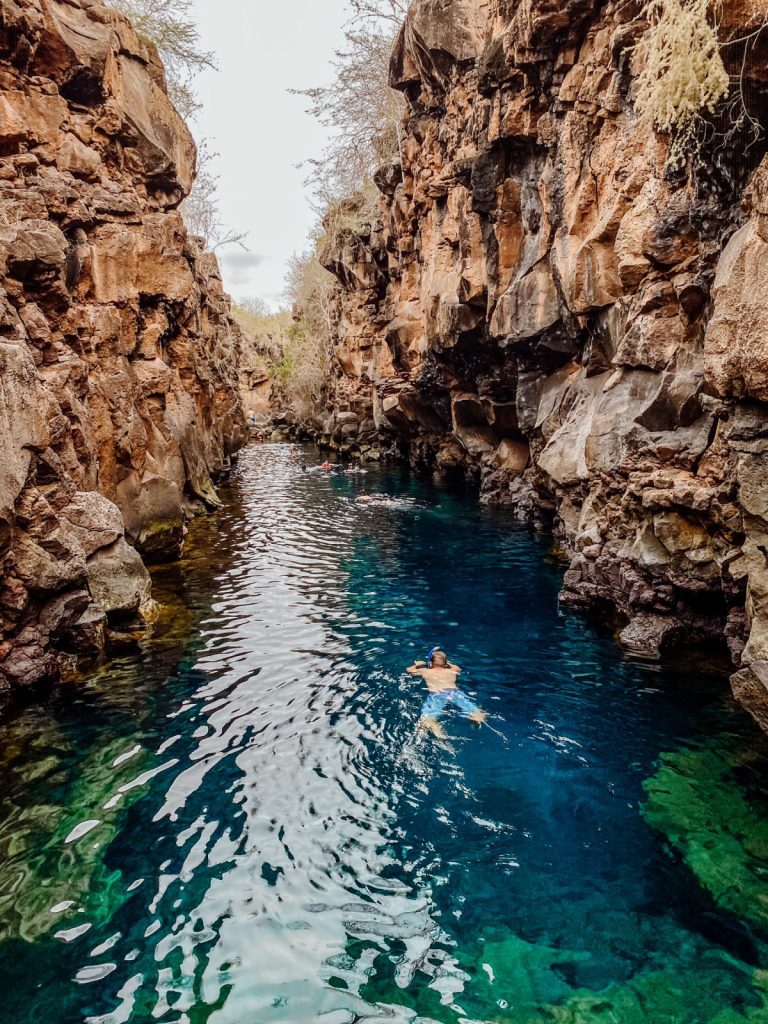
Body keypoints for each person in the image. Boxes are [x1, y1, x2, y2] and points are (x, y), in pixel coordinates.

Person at [406, 647, 487, 739]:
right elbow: (458, 668)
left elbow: (409, 670)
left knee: (427, 719)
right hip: (454, 692)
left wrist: (419, 664)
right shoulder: (452, 670)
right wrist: (446, 663)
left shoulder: (425, 671)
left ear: (430, 663)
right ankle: (476, 717)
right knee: (476, 711)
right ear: (445, 663)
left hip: (437, 694)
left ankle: (438, 733)